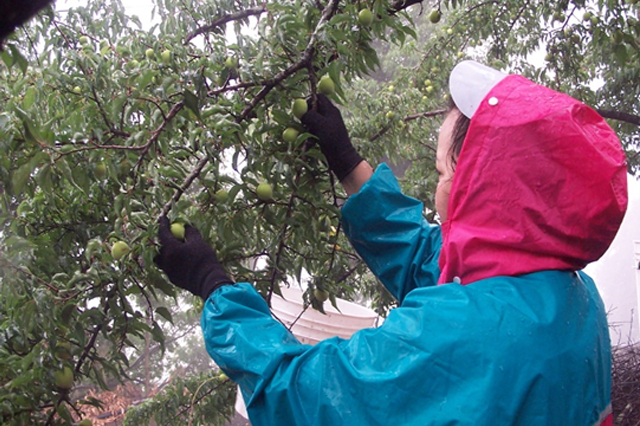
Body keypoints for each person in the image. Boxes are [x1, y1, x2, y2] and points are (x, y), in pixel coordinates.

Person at [155, 60, 628, 426]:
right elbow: (433, 262)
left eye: (444, 172)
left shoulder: (456, 336)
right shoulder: (572, 295)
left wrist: (213, 286)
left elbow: (301, 394)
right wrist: (346, 161)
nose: (439, 185)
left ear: (485, 191)